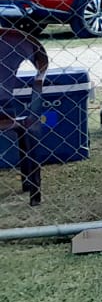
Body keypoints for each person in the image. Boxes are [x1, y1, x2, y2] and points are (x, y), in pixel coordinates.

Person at [0, 27, 48, 206]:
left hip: (5, 109)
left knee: (28, 126)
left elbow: (41, 65)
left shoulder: (14, 40)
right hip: (6, 107)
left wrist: (33, 114)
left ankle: (33, 190)